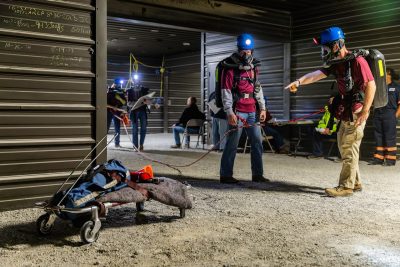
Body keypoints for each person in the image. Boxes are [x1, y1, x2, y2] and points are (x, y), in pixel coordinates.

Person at [285, 26, 376, 197]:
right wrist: (298, 82)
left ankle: (346, 187)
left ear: (336, 45)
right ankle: (355, 182)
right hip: (346, 111)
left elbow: (371, 84)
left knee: (349, 147)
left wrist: (365, 111)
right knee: (344, 146)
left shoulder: (358, 61)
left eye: (325, 47)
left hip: (356, 111)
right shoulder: (338, 64)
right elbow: (317, 74)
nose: (323, 51)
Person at [219, 33, 268, 184]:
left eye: (249, 51)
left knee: (257, 143)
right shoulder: (230, 68)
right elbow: (225, 91)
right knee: (232, 144)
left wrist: (263, 108)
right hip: (237, 112)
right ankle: (226, 175)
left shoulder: (254, 68)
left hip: (252, 111)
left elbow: (258, 88)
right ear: (238, 50)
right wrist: (229, 112)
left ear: (252, 51)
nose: (246, 54)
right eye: (243, 51)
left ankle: (257, 175)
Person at [370, 68, 400, 166]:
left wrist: (395, 116)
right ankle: (378, 158)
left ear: (389, 75)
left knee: (389, 137)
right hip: (378, 113)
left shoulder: (396, 87)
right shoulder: (378, 87)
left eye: (385, 73)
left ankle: (390, 160)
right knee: (378, 136)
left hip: (390, 114)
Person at [128, 84, 151, 152]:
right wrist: (137, 103)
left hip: (143, 112)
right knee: (134, 130)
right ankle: (135, 146)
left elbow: (149, 101)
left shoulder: (144, 90)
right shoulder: (130, 91)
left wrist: (148, 102)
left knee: (143, 129)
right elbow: (128, 103)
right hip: (134, 113)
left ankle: (141, 145)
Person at [107, 79, 127, 148]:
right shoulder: (109, 91)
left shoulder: (121, 92)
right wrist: (112, 107)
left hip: (117, 112)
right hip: (109, 112)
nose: (118, 86)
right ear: (114, 84)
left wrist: (119, 98)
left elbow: (124, 102)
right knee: (106, 128)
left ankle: (117, 143)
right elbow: (105, 103)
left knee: (117, 128)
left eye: (119, 84)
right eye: (116, 84)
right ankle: (102, 144)